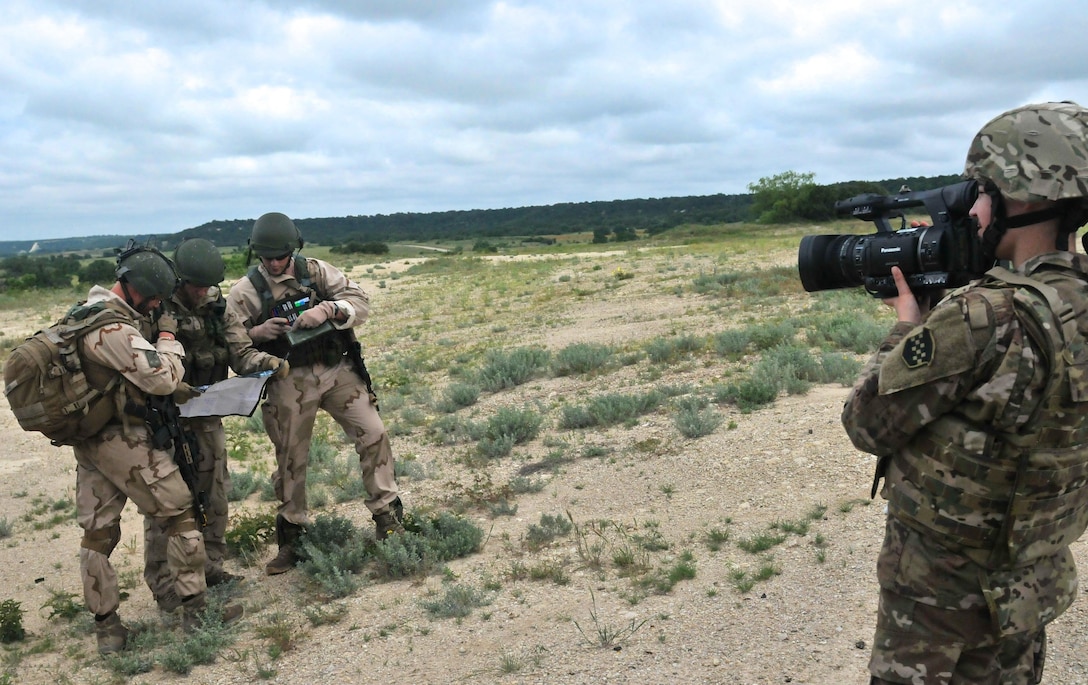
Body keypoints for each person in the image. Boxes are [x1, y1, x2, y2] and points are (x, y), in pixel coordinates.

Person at [842, 101, 1088, 684]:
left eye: (982, 190)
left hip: (939, 596)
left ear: (1020, 198)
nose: (973, 207)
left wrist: (907, 327)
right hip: (1028, 578)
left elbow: (867, 424)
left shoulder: (983, 317)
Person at [71, 245, 242, 655]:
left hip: (90, 437)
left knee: (98, 535)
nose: (153, 306)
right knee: (180, 515)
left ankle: (107, 629)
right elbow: (162, 378)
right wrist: (167, 337)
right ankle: (195, 612)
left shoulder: (82, 313)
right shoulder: (112, 328)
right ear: (131, 287)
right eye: (150, 299)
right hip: (123, 437)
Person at [224, 212, 403, 576]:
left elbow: (360, 301)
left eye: (281, 256)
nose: (275, 263)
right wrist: (261, 333)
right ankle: (293, 538)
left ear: (295, 249)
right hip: (289, 379)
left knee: (374, 434)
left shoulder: (317, 272)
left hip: (337, 370)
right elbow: (232, 346)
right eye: (267, 257)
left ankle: (388, 517)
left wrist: (328, 309)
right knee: (292, 457)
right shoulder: (245, 292)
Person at [143, 238, 289, 612]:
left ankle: (210, 566)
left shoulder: (218, 309)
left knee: (215, 493)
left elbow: (241, 353)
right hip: (165, 421)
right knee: (169, 505)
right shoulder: (156, 312)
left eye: (206, 285)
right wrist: (171, 388)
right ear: (179, 280)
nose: (201, 291)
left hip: (206, 416)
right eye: (195, 285)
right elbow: (142, 366)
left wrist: (266, 363)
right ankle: (165, 585)